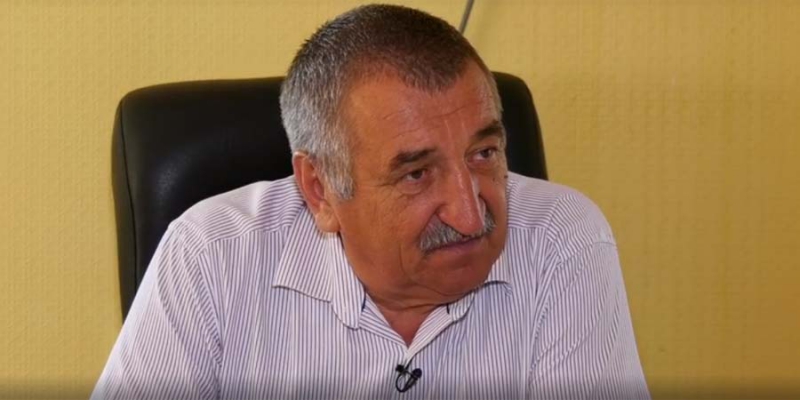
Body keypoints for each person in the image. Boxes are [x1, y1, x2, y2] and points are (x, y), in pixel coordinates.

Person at [92, 4, 649, 399]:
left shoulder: (559, 238)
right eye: (417, 174)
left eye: (484, 153)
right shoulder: (211, 254)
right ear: (320, 190)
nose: (469, 213)